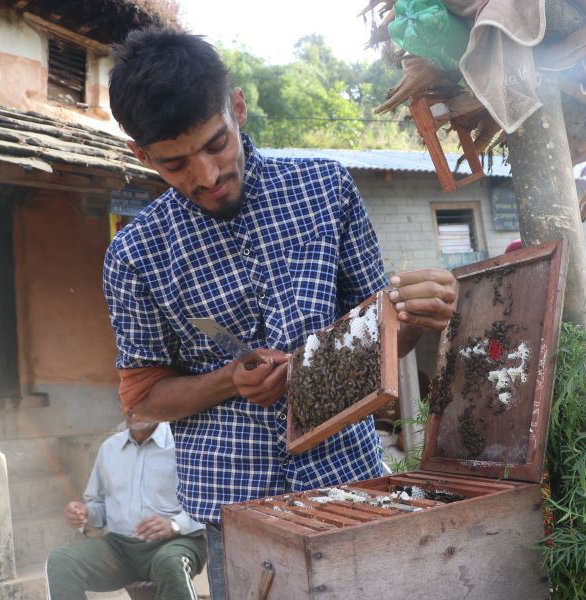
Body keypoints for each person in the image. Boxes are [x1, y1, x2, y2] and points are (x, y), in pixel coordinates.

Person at [103, 28, 458, 598]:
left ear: (237, 108)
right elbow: (142, 397)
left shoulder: (326, 190)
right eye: (174, 164)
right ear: (141, 155)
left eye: (217, 143)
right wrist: (229, 382)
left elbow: (389, 339)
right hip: (236, 512)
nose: (207, 176)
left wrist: (415, 316)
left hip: (351, 483)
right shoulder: (134, 254)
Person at [45, 410, 206, 600]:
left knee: (169, 563)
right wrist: (85, 513)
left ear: (155, 403)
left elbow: (208, 507)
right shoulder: (109, 448)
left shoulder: (183, 444)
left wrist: (174, 525)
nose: (134, 410)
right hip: (120, 548)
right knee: (61, 561)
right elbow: (99, 506)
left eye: (141, 402)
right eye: (129, 402)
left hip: (177, 542)